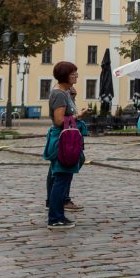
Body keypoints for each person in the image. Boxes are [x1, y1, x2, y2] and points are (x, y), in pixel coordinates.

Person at [44, 61, 89, 229]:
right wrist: (79, 116)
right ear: (64, 76)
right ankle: (55, 218)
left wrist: (73, 98)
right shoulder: (59, 94)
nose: (76, 75)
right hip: (63, 140)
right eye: (73, 73)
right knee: (62, 177)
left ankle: (58, 214)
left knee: (63, 176)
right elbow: (58, 120)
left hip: (67, 138)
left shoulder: (65, 93)